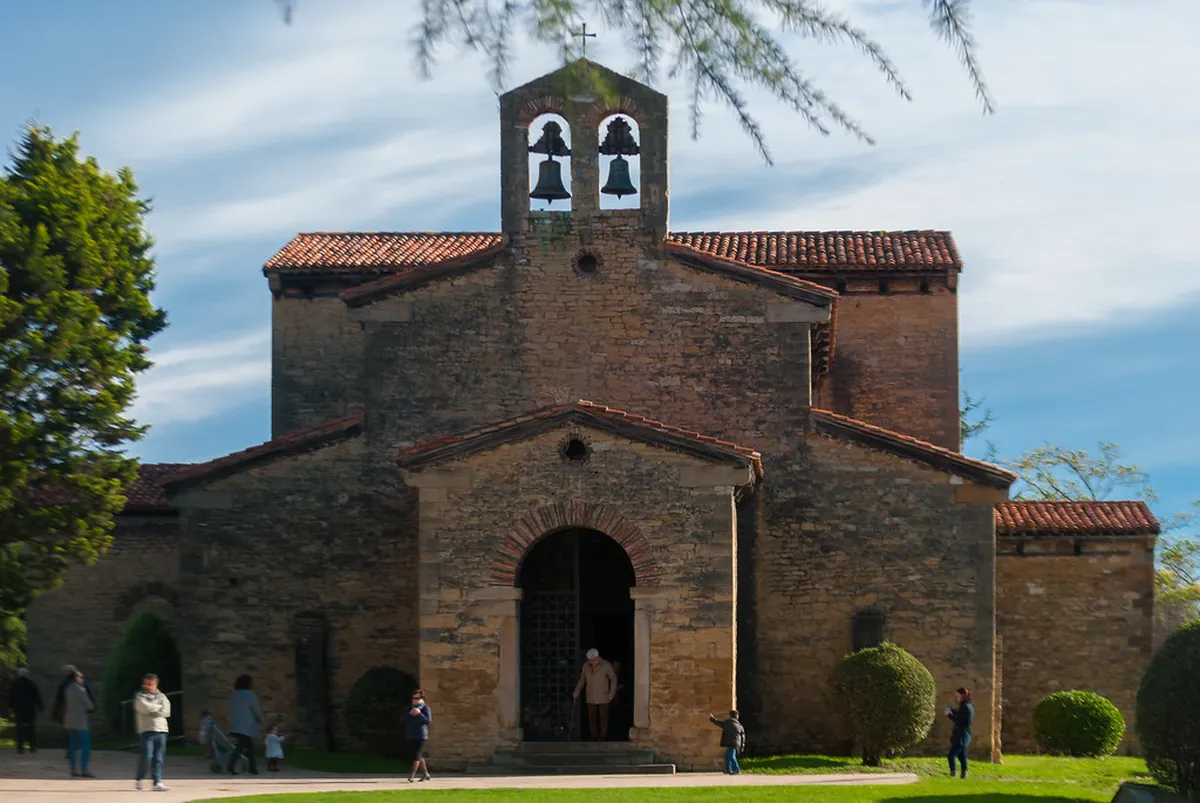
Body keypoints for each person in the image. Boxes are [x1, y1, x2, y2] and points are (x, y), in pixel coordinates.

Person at [133, 673, 172, 791]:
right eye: (146, 684)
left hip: (161, 730)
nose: (148, 686)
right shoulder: (140, 696)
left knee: (158, 758)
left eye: (151, 684)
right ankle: (139, 778)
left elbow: (166, 711)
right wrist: (157, 708)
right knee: (147, 756)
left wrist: (153, 709)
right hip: (147, 730)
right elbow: (144, 707)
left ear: (156, 684)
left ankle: (157, 782)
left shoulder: (162, 696)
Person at [572, 649, 617, 741]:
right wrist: (577, 690)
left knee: (603, 717)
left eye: (593, 660)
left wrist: (612, 693)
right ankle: (594, 735)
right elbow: (582, 680)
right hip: (590, 696)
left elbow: (613, 679)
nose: (591, 662)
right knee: (591, 718)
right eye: (590, 660)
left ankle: (603, 736)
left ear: (597, 658)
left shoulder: (606, 665)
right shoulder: (586, 666)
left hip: (603, 695)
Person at [227, 674, 264, 775]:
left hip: (236, 725)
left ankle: (252, 768)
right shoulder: (250, 695)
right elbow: (256, 709)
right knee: (242, 747)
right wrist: (260, 720)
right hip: (246, 726)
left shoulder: (234, 695)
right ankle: (232, 765)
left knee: (248, 747)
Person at [62, 669, 95, 777]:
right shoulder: (81, 690)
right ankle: (84, 769)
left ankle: (73, 768)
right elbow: (89, 705)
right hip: (80, 721)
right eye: (81, 677)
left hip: (69, 720)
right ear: (77, 678)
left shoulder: (68, 689)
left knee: (72, 745)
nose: (82, 680)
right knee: (85, 744)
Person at [7, 668, 43, 754]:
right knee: (31, 728)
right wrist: (40, 706)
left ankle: (20, 747)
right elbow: (36, 696)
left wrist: (10, 706)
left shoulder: (15, 684)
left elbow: (11, 696)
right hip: (29, 709)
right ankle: (32, 747)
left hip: (18, 709)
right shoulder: (31, 684)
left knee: (20, 728)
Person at [945, 686, 975, 779]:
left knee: (951, 756)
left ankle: (953, 774)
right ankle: (964, 774)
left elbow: (958, 720)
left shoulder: (966, 707)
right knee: (962, 756)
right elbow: (959, 713)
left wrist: (949, 714)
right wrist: (951, 710)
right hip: (963, 735)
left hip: (961, 736)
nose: (957, 698)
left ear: (963, 696)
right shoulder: (967, 706)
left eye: (958, 696)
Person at [405, 689, 432, 783]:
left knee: (416, 755)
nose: (415, 700)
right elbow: (403, 719)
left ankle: (412, 775)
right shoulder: (410, 708)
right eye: (414, 698)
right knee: (419, 756)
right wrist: (410, 714)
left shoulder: (425, 708)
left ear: (422, 699)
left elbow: (428, 721)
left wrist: (419, 714)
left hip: (421, 735)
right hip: (411, 734)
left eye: (418, 698)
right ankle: (426, 774)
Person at [708, 710, 746, 775]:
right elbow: (743, 737)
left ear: (730, 716)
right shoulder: (740, 725)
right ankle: (728, 769)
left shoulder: (728, 723)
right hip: (736, 744)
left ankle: (737, 769)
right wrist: (742, 746)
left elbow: (718, 723)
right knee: (727, 756)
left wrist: (712, 718)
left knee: (731, 756)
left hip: (731, 743)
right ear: (737, 716)